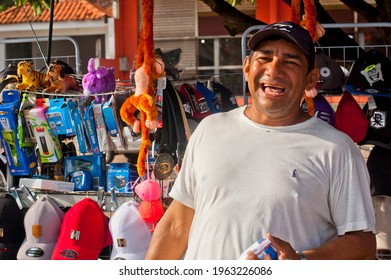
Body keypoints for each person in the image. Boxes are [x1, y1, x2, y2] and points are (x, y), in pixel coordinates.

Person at [144, 21, 376, 260]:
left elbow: (363, 244)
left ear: (310, 79)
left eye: (291, 62)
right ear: (246, 68)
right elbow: (176, 225)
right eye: (264, 59)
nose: (274, 70)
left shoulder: (337, 149)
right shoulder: (209, 130)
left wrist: (303, 261)